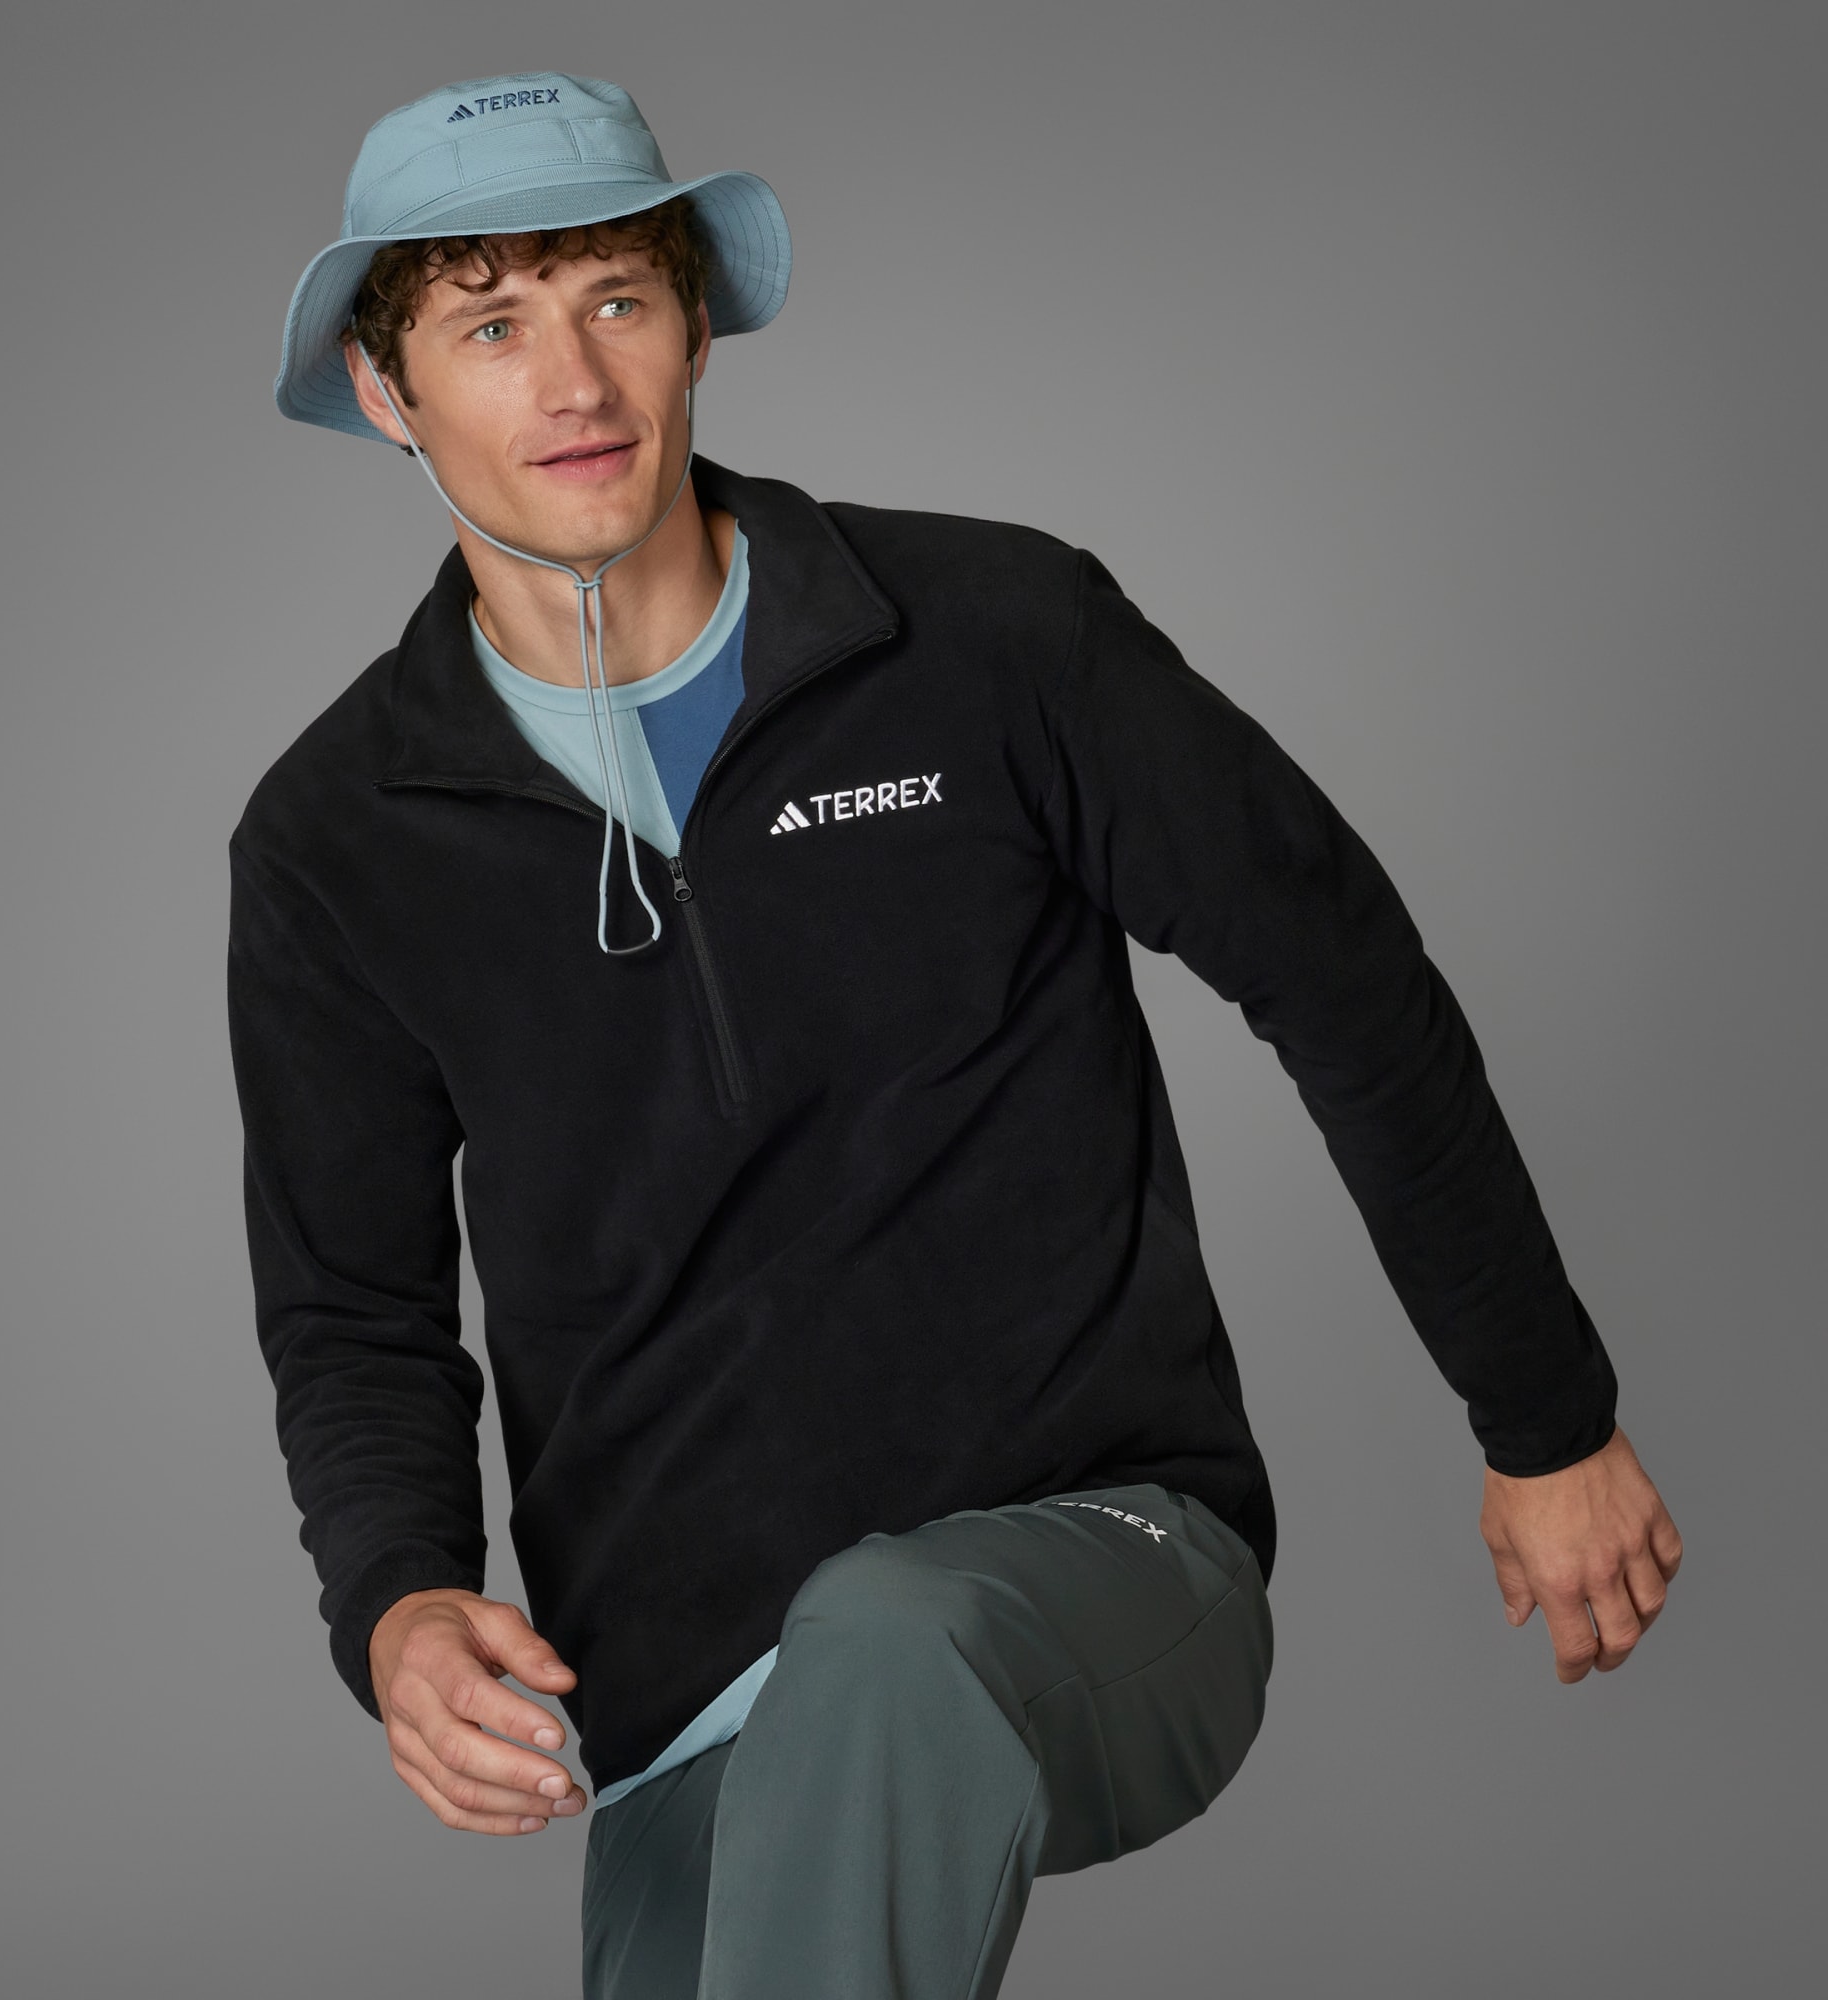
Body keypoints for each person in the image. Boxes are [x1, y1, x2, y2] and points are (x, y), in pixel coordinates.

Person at [230, 70, 1683, 1999]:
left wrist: (1546, 1417)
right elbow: (354, 1311)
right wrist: (402, 1604)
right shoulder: (336, 841)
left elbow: (1341, 975)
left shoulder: (994, 636)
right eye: (491, 326)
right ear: (386, 389)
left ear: (693, 328)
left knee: (891, 1632)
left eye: (616, 299)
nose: (574, 381)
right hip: (686, 1689)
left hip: (1102, 1556)